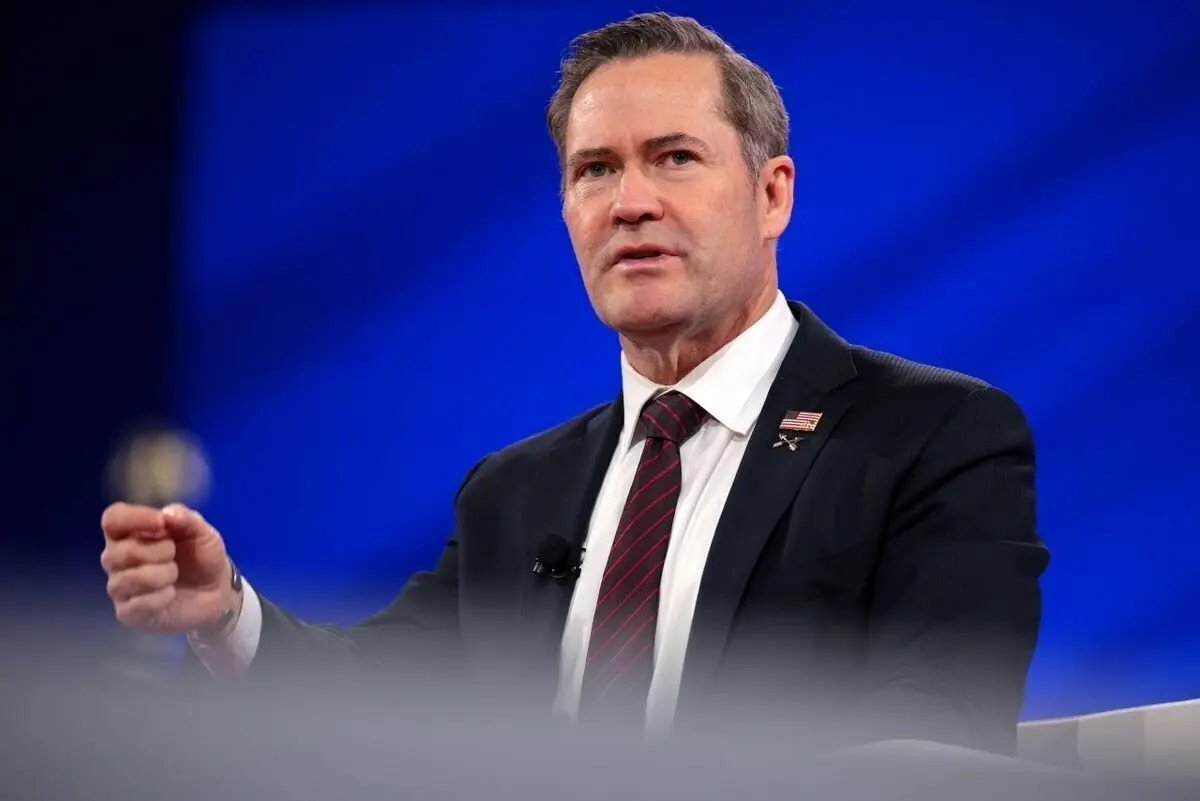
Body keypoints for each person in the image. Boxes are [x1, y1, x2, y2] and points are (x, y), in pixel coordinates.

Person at [99, 12, 1049, 754]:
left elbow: (937, 731)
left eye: (675, 157)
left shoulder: (931, 435)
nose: (630, 202)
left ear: (773, 194)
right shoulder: (515, 492)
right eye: (595, 169)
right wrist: (224, 613)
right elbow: (380, 696)